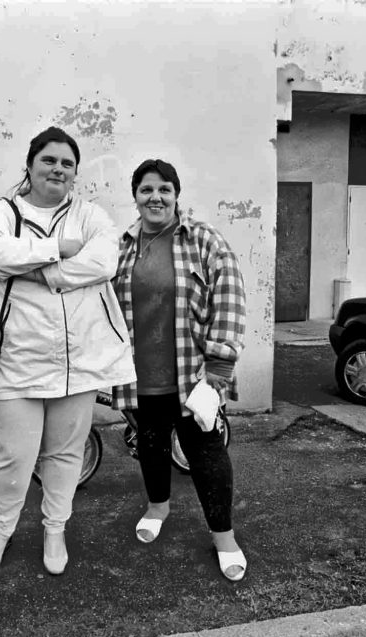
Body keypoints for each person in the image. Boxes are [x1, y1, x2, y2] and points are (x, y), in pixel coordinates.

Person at [0, 127, 136, 575]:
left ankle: (55, 529)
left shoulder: (90, 214)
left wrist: (36, 270)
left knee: (65, 452)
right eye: (49, 160)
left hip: (77, 360)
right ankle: (0, 531)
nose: (58, 169)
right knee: (13, 455)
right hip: (17, 360)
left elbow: (104, 261)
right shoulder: (3, 212)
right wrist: (57, 248)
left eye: (67, 163)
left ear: (75, 173)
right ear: (29, 165)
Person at [112, 158, 249, 582]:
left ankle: (224, 537)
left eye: (164, 189)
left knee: (206, 453)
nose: (155, 197)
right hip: (141, 376)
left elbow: (229, 297)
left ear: (176, 195)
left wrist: (219, 365)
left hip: (193, 376)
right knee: (150, 444)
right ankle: (158, 507)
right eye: (146, 189)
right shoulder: (122, 246)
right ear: (135, 196)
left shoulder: (203, 240)